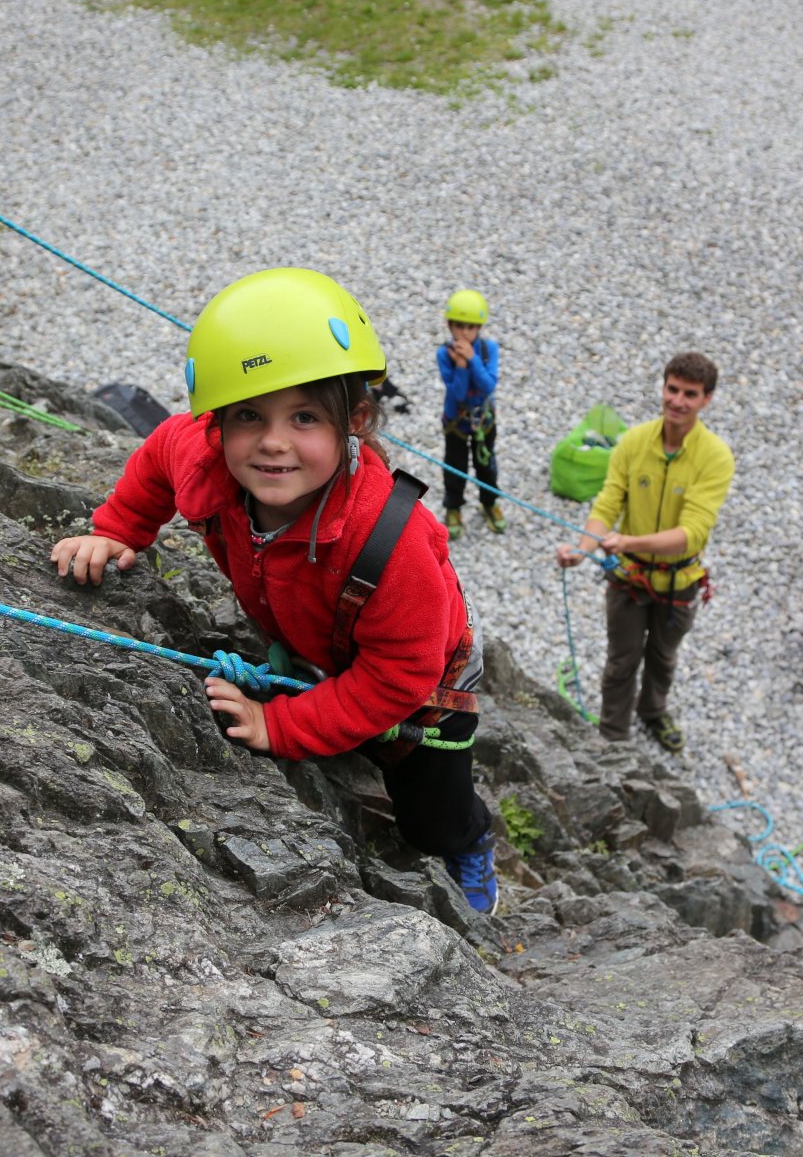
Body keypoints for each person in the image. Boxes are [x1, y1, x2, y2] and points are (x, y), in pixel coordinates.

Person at [50, 268, 499, 913]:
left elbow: (402, 673)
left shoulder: (390, 541)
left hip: (426, 681)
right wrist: (120, 530)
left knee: (428, 815)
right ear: (218, 423)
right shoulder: (201, 452)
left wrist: (280, 724)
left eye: (306, 416)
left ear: (357, 422)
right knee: (348, 724)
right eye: (249, 415)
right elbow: (157, 456)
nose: (273, 442)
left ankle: (472, 839)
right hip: (319, 636)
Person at [555, 353, 736, 753]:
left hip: (678, 580)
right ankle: (614, 736)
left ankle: (653, 711)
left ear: (707, 399)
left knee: (663, 657)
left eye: (690, 394)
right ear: (664, 387)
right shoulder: (634, 442)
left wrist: (628, 543)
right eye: (673, 389)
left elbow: (691, 534)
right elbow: (606, 506)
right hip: (629, 579)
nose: (678, 401)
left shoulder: (715, 457)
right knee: (621, 661)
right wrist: (582, 550)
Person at [436, 289, 503, 540]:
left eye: (471, 327)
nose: (464, 333)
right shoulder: (444, 355)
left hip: (484, 420)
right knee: (455, 466)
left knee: (486, 465)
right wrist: (462, 365)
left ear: (479, 328)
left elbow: (488, 386)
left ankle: (490, 501)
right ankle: (453, 506)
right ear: (450, 326)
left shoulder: (488, 350)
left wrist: (472, 360)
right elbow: (458, 393)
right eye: (459, 326)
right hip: (456, 421)